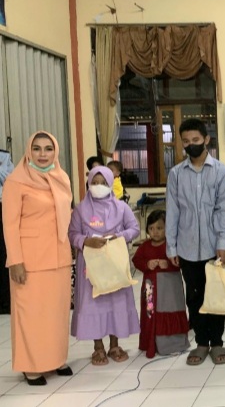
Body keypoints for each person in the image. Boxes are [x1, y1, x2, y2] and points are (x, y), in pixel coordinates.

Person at [2, 131, 73, 385]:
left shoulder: (61, 177)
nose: (43, 154)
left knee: (56, 313)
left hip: (59, 257)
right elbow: (10, 225)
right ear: (28, 151)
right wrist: (15, 261)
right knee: (31, 315)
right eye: (37, 148)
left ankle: (55, 359)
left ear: (55, 152)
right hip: (30, 261)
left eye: (48, 149)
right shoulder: (16, 181)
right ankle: (31, 366)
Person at [166, 118, 225, 366]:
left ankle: (217, 342)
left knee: (216, 295)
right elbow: (173, 211)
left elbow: (224, 210)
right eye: (186, 141)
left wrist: (223, 243)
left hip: (215, 246)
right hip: (186, 246)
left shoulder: (222, 172)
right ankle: (201, 343)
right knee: (194, 297)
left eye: (195, 140)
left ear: (206, 139)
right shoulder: (176, 174)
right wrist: (171, 246)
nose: (191, 144)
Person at [69, 166, 140, 366]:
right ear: (88, 184)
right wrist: (86, 241)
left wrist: (118, 236)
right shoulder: (80, 209)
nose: (98, 186)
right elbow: (72, 234)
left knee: (115, 302)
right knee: (94, 304)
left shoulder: (121, 207)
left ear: (110, 184)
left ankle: (115, 345)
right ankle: (98, 347)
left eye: (103, 183)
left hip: (114, 264)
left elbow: (134, 228)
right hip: (90, 267)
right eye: (94, 182)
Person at [133, 210, 190, 358]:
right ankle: (150, 342)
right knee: (150, 313)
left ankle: (172, 343)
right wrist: (147, 264)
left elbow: (181, 262)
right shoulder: (145, 246)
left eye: (159, 228)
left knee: (170, 311)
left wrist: (169, 264)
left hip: (170, 288)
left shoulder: (172, 246)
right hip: (150, 288)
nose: (155, 232)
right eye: (151, 228)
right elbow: (136, 260)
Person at [0, 148, 14, 314]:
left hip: (3, 209)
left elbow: (10, 180)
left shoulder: (4, 157)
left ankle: (5, 301)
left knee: (3, 254)